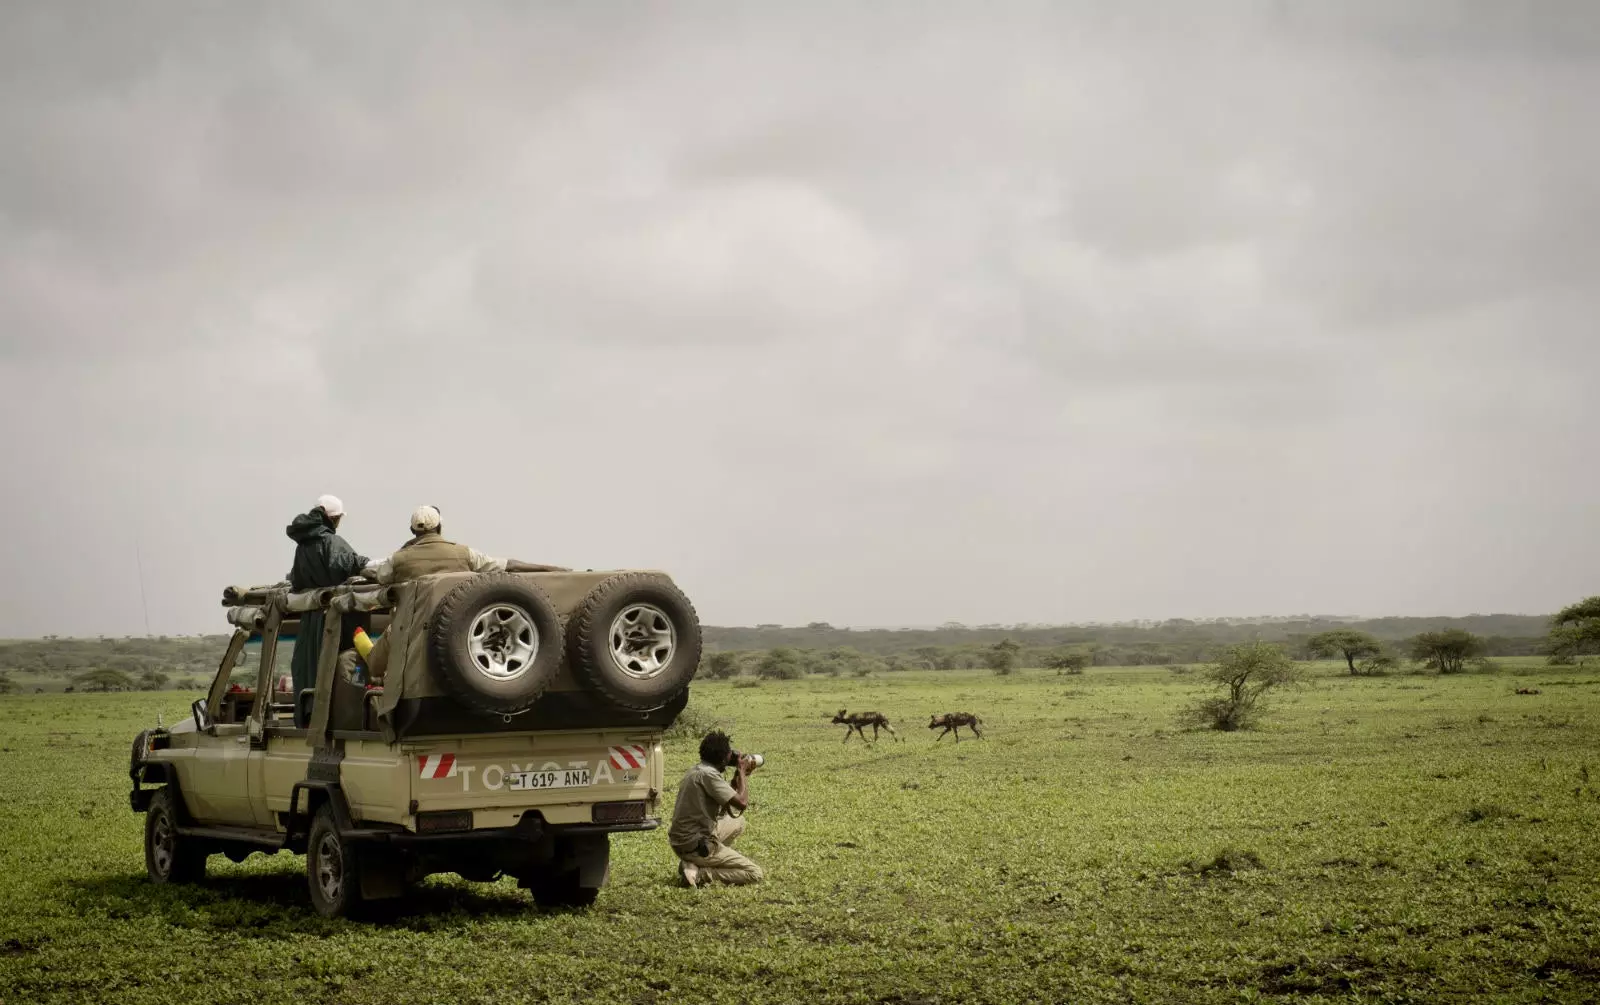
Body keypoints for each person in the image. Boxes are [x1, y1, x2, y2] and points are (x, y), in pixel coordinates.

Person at [340, 505, 568, 687]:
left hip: (408, 629)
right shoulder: (464, 553)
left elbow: (378, 574)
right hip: (462, 631)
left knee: (374, 664)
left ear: (412, 531)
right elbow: (507, 565)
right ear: (439, 527)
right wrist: (552, 569)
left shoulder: (398, 559)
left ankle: (364, 644)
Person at [285, 495, 370, 695]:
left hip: (310, 625)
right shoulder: (332, 542)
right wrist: (369, 564)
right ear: (333, 518)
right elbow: (348, 565)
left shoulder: (302, 546)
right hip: (336, 624)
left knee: (310, 671)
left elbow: (297, 581)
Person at [668, 729, 764, 887]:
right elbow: (741, 802)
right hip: (696, 843)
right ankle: (699, 874)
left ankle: (694, 863)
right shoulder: (709, 775)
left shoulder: (699, 770)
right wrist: (741, 771)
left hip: (685, 839)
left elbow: (728, 799)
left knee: (738, 822)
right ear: (723, 757)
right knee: (754, 873)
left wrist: (737, 777)